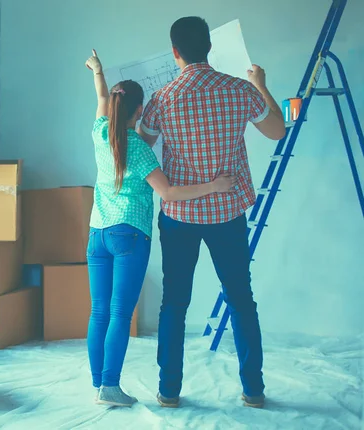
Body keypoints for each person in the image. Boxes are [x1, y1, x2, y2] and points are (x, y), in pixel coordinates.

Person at [137, 17, 286, 409]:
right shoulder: (239, 90)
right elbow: (277, 131)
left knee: (174, 303)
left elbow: (141, 146)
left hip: (179, 216)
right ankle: (253, 390)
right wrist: (261, 85)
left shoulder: (163, 98)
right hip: (227, 213)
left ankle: (169, 391)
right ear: (210, 47)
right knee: (241, 299)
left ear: (175, 52)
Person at [84, 50, 238, 407]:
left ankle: (98, 383)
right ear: (140, 112)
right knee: (121, 313)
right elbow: (168, 192)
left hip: (97, 234)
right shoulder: (137, 147)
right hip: (130, 234)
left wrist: (98, 71)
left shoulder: (100, 131)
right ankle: (109, 387)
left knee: (99, 311)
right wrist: (214, 186)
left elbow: (101, 97)